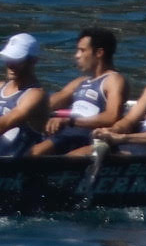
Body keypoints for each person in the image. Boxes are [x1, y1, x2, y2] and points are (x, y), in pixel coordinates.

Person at [30, 28, 129, 157]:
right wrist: (25, 107)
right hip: (66, 132)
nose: (77, 55)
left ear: (99, 53)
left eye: (82, 50)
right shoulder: (81, 81)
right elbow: (54, 101)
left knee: (34, 153)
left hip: (88, 136)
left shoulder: (114, 80)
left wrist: (70, 121)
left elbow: (111, 116)